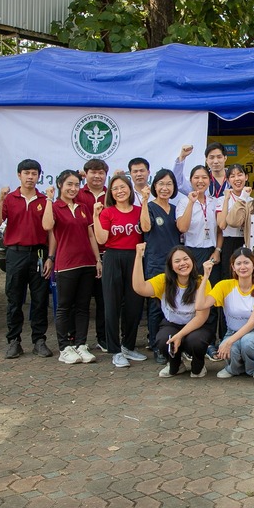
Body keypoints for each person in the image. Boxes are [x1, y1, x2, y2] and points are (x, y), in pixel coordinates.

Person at [0, 159, 54, 359]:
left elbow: (51, 232)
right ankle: (14, 340)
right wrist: (0, 199)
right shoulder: (10, 199)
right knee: (14, 298)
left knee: (40, 299)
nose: (30, 177)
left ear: (38, 176)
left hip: (39, 254)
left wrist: (50, 257)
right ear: (19, 175)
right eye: (26, 173)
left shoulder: (44, 200)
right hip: (15, 253)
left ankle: (39, 340)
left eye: (34, 174)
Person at [42, 170, 101, 365]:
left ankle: (81, 344)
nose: (73, 189)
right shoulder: (55, 207)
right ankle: (64, 347)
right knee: (65, 307)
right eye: (69, 184)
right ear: (60, 185)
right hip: (66, 265)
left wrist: (97, 260)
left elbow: (91, 236)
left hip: (87, 264)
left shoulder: (83, 207)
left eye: (76, 185)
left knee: (83, 307)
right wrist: (49, 201)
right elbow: (47, 225)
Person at [133, 244, 213, 378]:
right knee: (163, 340)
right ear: (171, 265)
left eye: (185, 259)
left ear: (192, 261)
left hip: (196, 326)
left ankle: (198, 364)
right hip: (172, 324)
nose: (182, 263)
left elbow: (201, 317)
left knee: (196, 341)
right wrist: (138, 257)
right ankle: (176, 364)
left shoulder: (201, 281)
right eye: (177, 261)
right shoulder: (164, 280)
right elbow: (139, 288)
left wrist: (180, 335)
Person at [92, 174, 147, 368]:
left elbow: (146, 230)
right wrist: (95, 216)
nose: (120, 191)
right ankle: (115, 350)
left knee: (134, 303)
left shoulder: (140, 210)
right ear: (111, 192)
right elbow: (101, 239)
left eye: (123, 187)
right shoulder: (107, 213)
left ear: (130, 189)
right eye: (115, 188)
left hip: (135, 258)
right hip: (113, 257)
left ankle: (128, 346)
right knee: (112, 305)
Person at [198, 248, 254, 379]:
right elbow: (200, 305)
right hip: (232, 331)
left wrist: (228, 342)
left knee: (247, 342)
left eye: (246, 263)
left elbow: (252, 323)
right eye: (238, 263)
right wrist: (205, 277)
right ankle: (234, 368)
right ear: (233, 267)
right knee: (232, 348)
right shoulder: (224, 286)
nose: (242, 267)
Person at [139, 168, 183, 362]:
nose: (165, 188)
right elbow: (146, 228)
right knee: (156, 306)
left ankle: (174, 343)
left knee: (174, 303)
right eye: (161, 184)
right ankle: (157, 346)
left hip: (176, 265)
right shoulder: (149, 207)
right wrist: (144, 201)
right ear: (154, 186)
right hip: (156, 263)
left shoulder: (175, 209)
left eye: (169, 184)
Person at [75, 158, 109, 352]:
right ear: (85, 174)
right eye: (93, 172)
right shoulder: (77, 195)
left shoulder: (112, 194)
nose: (97, 176)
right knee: (82, 301)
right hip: (84, 256)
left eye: (101, 172)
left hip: (108, 254)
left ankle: (103, 338)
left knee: (105, 301)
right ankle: (79, 340)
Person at [177, 164, 223, 274]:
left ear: (210, 180)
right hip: (191, 252)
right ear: (191, 180)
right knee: (194, 287)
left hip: (212, 252)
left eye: (204, 177)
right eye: (196, 177)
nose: (200, 181)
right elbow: (182, 228)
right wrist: (191, 203)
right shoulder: (184, 202)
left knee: (211, 288)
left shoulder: (215, 202)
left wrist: (217, 251)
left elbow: (220, 230)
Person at [217, 164, 251, 275]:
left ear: (246, 177)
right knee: (228, 276)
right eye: (232, 176)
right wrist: (226, 199)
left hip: (246, 241)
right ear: (227, 180)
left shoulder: (252, 200)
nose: (236, 179)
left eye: (240, 175)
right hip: (228, 243)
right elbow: (222, 225)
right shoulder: (222, 200)